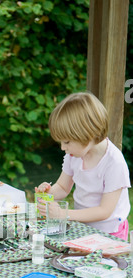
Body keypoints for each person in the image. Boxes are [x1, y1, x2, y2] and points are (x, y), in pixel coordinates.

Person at [35, 92, 131, 240]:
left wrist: (63, 214)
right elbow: (62, 187)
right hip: (83, 227)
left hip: (110, 232)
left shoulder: (114, 163)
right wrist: (47, 194)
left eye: (67, 142)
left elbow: (104, 211)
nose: (62, 148)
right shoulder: (74, 155)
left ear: (88, 134)